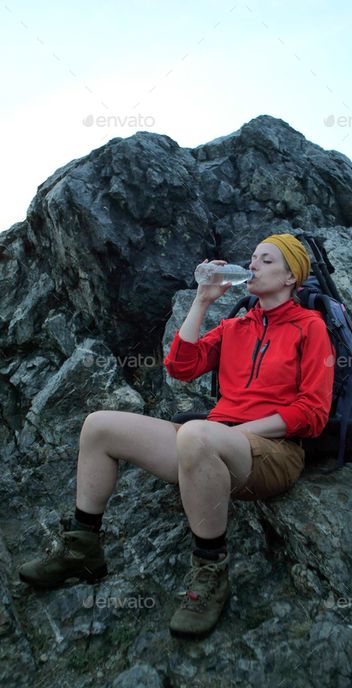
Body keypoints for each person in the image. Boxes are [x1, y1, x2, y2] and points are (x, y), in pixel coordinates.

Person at [18, 233, 335, 638]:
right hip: (209, 444)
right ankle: (82, 547)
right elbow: (180, 366)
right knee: (99, 425)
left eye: (266, 261)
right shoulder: (237, 326)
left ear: (292, 276)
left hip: (272, 453)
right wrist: (203, 300)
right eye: (252, 258)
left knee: (197, 435)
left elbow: (312, 412)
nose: (252, 265)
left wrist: (234, 432)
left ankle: (210, 570)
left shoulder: (311, 328)